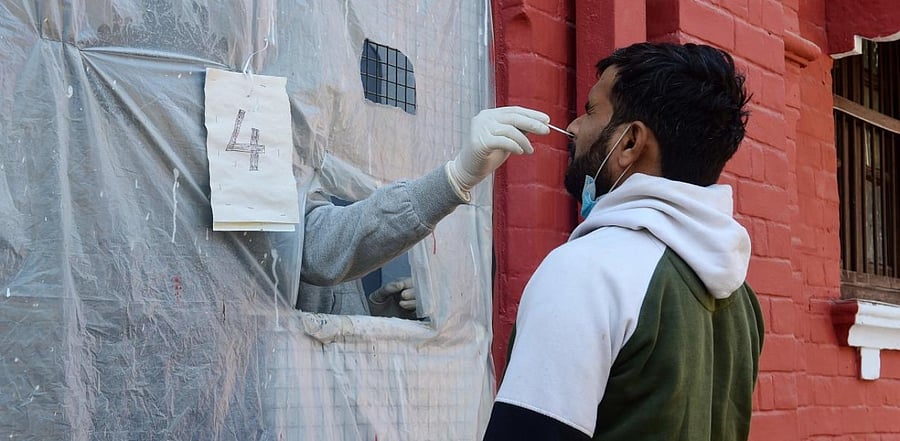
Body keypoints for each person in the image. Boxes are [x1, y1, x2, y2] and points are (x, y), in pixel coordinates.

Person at [483, 42, 765, 440]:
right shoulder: (742, 297)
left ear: (630, 143)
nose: (575, 128)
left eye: (590, 110)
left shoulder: (586, 273)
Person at [296, 106, 551, 316]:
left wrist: (379, 310)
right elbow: (315, 251)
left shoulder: (319, 164)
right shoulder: (281, 147)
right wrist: (455, 178)